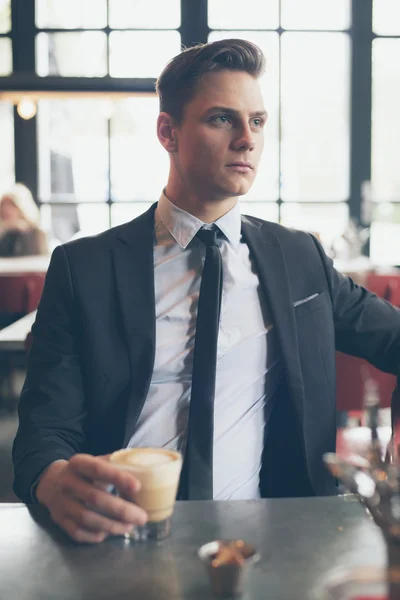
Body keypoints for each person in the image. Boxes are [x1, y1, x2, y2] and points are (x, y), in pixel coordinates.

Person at [12, 39, 400, 544]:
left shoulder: (300, 257)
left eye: (257, 122)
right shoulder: (83, 268)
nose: (247, 140)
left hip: (273, 542)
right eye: (222, 119)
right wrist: (52, 479)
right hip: (120, 533)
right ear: (167, 132)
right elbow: (44, 430)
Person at [0, 183, 48, 257]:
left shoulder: (37, 233)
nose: (6, 209)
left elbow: (42, 260)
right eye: (3, 204)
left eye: (12, 205)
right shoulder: (2, 232)